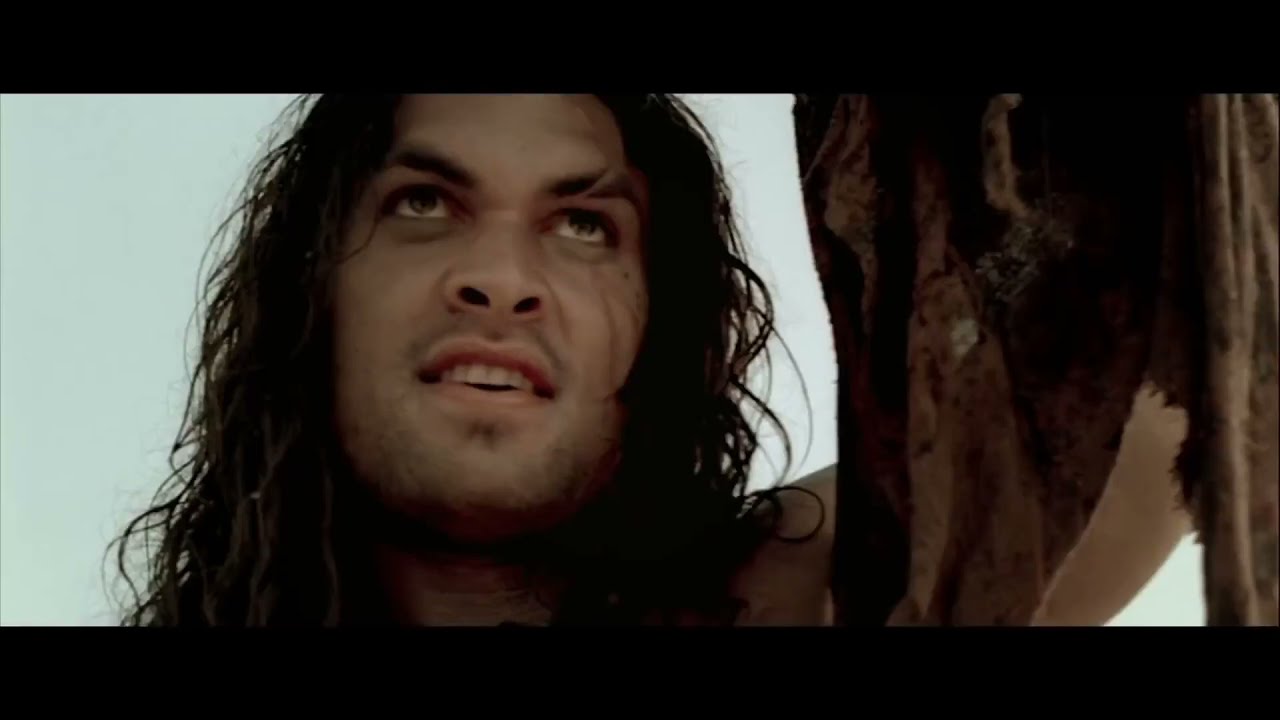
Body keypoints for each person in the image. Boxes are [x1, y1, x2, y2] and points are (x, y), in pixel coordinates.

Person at [111, 94, 1193, 626]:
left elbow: (1165, 393)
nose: (500, 277)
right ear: (313, 295)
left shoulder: (823, 592)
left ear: (658, 327)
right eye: (425, 202)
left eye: (584, 224)